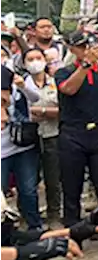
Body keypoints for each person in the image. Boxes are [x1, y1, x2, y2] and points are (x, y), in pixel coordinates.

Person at [55, 31, 98, 249]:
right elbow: (69, 89)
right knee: (72, 188)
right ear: (73, 49)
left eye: (91, 46)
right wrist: (84, 66)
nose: (88, 50)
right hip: (72, 134)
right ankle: (73, 236)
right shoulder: (64, 72)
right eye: (82, 46)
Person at [0, 63, 41, 231]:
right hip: (2, 152)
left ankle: (34, 226)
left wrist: (22, 86)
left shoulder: (16, 88)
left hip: (22, 147)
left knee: (28, 189)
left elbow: (35, 98)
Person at [27, 46, 62, 227]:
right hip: (26, 138)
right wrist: (45, 112)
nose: (35, 63)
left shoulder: (55, 82)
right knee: (28, 179)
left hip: (52, 135)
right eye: (30, 59)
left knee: (53, 177)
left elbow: (62, 110)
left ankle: (54, 215)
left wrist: (41, 110)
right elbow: (21, 112)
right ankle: (29, 216)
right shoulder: (21, 84)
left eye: (38, 58)